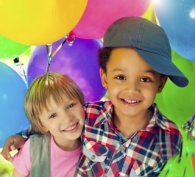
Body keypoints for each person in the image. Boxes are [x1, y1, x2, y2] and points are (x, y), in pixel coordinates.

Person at [2, 17, 189, 176]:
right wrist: (22, 136)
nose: (132, 89)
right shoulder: (90, 114)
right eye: (121, 77)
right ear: (105, 78)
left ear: (161, 83)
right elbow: (54, 118)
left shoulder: (169, 140)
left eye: (145, 79)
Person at [9, 72, 85, 177]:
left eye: (71, 105)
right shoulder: (34, 148)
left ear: (81, 103)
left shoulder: (95, 145)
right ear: (42, 125)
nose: (67, 118)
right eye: (53, 115)